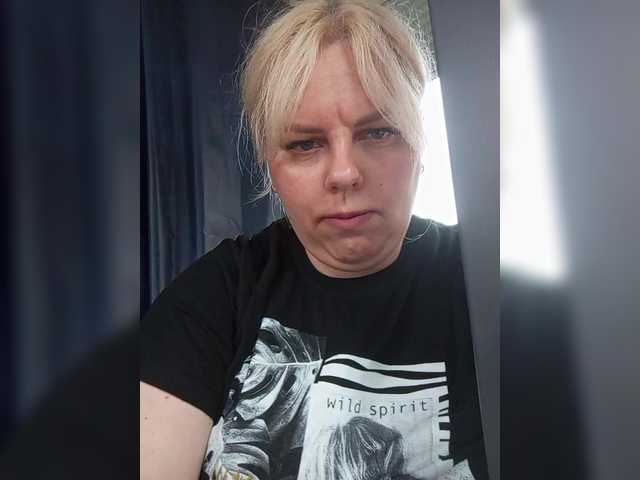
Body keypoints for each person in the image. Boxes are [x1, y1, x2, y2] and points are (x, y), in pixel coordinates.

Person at [141, 1, 488, 479]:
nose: (344, 173)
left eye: (379, 132)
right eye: (305, 143)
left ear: (419, 145)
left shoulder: (484, 286)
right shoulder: (214, 297)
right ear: (269, 164)